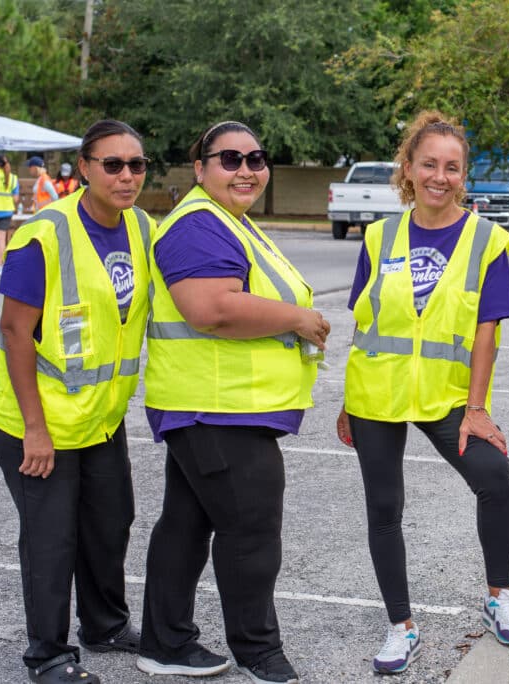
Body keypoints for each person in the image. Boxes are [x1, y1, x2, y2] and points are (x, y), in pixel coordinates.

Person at [335, 110, 509, 676]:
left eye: (452, 167)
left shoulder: (486, 239)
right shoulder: (379, 234)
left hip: (448, 398)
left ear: (462, 174)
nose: (440, 176)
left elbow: (487, 330)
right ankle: (401, 626)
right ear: (409, 168)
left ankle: (499, 597)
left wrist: (477, 408)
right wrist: (350, 400)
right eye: (429, 164)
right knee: (384, 508)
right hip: (377, 394)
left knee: (494, 477)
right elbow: (364, 322)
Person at [139, 120, 329, 684]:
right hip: (219, 408)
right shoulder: (199, 225)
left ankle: (165, 643)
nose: (246, 169)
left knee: (185, 525)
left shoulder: (229, 222)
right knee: (251, 532)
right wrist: (298, 318)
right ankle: (258, 651)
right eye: (230, 159)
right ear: (200, 169)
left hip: (214, 405)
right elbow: (212, 309)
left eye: (256, 158)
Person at [0, 119, 155, 684]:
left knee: (110, 520)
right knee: (52, 536)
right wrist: (34, 428)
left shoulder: (143, 229)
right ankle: (47, 655)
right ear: (84, 169)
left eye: (137, 165)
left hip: (97, 416)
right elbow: (13, 332)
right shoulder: (42, 235)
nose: (127, 176)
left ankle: (102, 625)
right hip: (30, 416)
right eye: (113, 165)